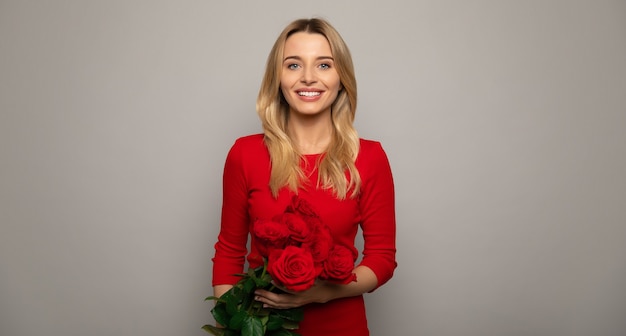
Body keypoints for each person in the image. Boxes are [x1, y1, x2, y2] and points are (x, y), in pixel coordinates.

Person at [211, 17, 396, 336]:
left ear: (341, 77)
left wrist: (326, 292)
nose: (308, 78)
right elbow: (229, 252)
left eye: (324, 65)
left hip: (342, 327)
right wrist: (230, 327)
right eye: (293, 65)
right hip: (266, 329)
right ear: (277, 78)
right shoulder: (245, 154)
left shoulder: (369, 157)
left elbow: (382, 258)